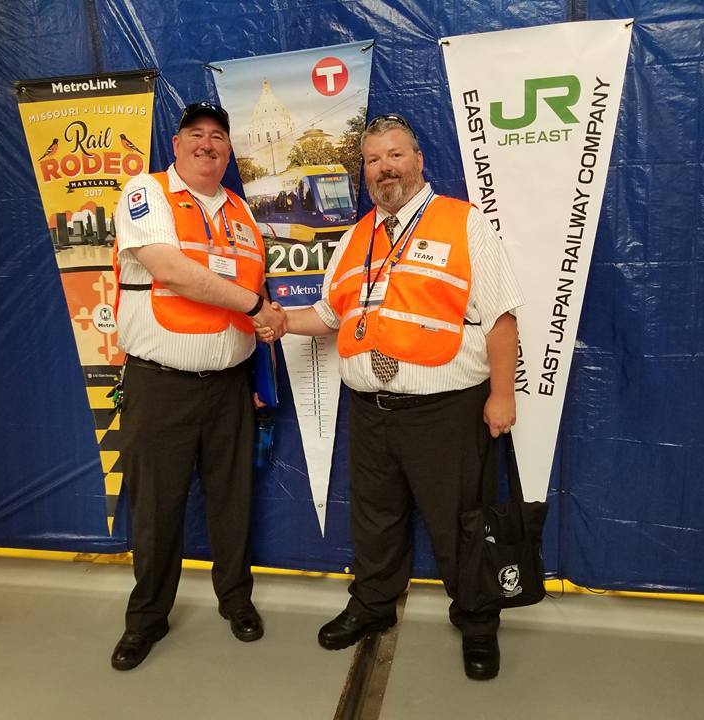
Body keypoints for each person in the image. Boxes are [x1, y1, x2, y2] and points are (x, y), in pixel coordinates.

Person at [260, 114, 524, 681]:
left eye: (395, 155)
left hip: (446, 411)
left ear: (418, 160)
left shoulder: (463, 222)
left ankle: (477, 621)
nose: (385, 168)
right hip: (371, 412)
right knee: (374, 519)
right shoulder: (356, 237)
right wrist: (282, 322)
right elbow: (331, 315)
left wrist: (502, 395)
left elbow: (502, 317)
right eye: (374, 159)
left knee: (461, 522)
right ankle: (373, 605)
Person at [109, 101, 286, 671]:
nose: (207, 144)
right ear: (177, 144)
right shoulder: (148, 192)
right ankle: (146, 620)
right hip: (161, 385)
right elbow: (172, 271)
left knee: (233, 501)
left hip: (230, 385)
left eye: (218, 136)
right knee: (157, 508)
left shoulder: (240, 209)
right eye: (196, 134)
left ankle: (236, 600)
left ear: (229, 150)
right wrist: (256, 307)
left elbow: (254, 288)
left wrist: (260, 364)